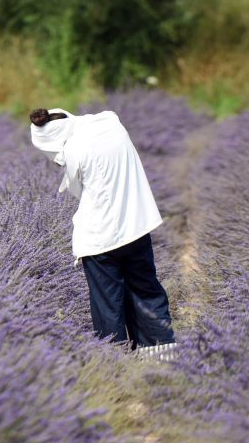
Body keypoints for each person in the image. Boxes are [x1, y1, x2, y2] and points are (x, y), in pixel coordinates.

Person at [29, 107, 174, 349]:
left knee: (108, 303)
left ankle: (116, 362)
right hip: (135, 225)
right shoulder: (111, 124)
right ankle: (160, 352)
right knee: (146, 290)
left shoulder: (74, 150)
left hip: (99, 238)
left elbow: (78, 191)